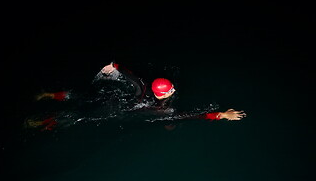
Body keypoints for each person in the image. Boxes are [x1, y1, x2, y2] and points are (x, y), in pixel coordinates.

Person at [27, 62, 246, 131]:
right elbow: (188, 115)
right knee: (81, 115)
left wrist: (114, 68)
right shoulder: (163, 109)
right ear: (165, 94)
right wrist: (220, 115)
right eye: (171, 90)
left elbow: (126, 76)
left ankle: (48, 94)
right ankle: (42, 122)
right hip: (118, 109)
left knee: (83, 97)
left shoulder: (143, 86)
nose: (174, 91)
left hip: (112, 96)